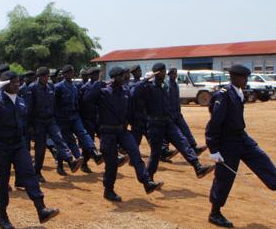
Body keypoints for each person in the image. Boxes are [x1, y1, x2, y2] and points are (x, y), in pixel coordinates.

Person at [206, 64, 276, 227]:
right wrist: (214, 149)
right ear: (234, 77)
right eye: (244, 77)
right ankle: (215, 213)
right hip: (227, 142)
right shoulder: (224, 95)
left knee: (262, 160)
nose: (246, 81)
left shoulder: (238, 92)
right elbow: (214, 123)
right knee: (224, 177)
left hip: (241, 137)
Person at [0, 71, 59, 229]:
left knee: (30, 174)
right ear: (5, 84)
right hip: (0, 146)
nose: (17, 84)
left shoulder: (20, 101)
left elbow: (25, 122)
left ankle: (41, 209)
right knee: (2, 182)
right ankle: (3, 216)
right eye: (13, 82)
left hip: (19, 145)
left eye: (18, 81)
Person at [83, 66, 163, 202]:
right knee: (112, 164)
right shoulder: (103, 91)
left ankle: (146, 182)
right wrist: (98, 82)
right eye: (122, 76)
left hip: (122, 131)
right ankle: (109, 190)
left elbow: (134, 95)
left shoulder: (125, 91)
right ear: (115, 78)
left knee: (135, 153)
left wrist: (145, 81)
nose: (125, 78)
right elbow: (87, 99)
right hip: (108, 133)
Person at [142, 63, 214, 181]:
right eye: (162, 72)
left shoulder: (165, 86)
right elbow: (134, 91)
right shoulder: (148, 87)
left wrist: (173, 116)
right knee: (155, 153)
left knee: (182, 141)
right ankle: (149, 179)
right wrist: (146, 80)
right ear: (156, 73)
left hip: (168, 121)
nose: (164, 74)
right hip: (155, 124)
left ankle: (198, 167)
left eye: (164, 71)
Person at [28, 67, 83, 181]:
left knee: (59, 139)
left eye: (47, 76)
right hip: (38, 122)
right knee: (40, 148)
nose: (46, 78)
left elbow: (54, 104)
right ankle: (37, 172)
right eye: (44, 76)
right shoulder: (32, 88)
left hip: (51, 120)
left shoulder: (50, 86)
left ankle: (70, 161)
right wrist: (30, 125)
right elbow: (29, 108)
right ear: (39, 77)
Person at [54, 64, 104, 174]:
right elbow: (54, 105)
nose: (70, 74)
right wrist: (56, 120)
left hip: (75, 116)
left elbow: (79, 103)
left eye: (71, 72)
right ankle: (62, 165)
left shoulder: (74, 87)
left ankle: (94, 152)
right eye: (68, 73)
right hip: (63, 118)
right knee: (68, 140)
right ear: (64, 74)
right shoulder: (58, 87)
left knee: (83, 133)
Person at [167, 68, 207, 155]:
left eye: (175, 74)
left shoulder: (175, 85)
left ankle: (194, 147)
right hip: (170, 114)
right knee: (168, 133)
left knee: (186, 130)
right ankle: (164, 151)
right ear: (169, 75)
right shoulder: (167, 86)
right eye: (172, 74)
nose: (174, 75)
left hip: (177, 113)